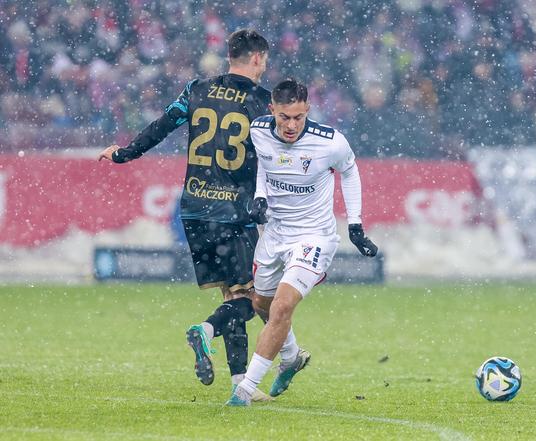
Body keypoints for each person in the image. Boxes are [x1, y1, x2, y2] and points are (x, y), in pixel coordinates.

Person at [98, 29, 273, 401]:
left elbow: (162, 127)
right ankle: (205, 331)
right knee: (250, 299)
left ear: (230, 55)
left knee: (233, 292)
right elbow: (278, 158)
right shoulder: (264, 101)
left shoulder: (196, 89)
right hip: (235, 211)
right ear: (257, 58)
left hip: (194, 208)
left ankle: (239, 381)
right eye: (265, 61)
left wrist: (123, 154)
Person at [226, 78, 378, 406]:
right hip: (275, 235)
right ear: (272, 111)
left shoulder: (331, 143)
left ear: (308, 110)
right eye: (284, 117)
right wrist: (260, 196)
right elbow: (263, 165)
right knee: (261, 306)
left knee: (282, 307)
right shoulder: (258, 130)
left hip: (314, 238)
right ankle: (292, 357)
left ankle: (244, 390)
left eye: (298, 117)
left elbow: (350, 173)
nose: (291, 125)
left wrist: (355, 225)